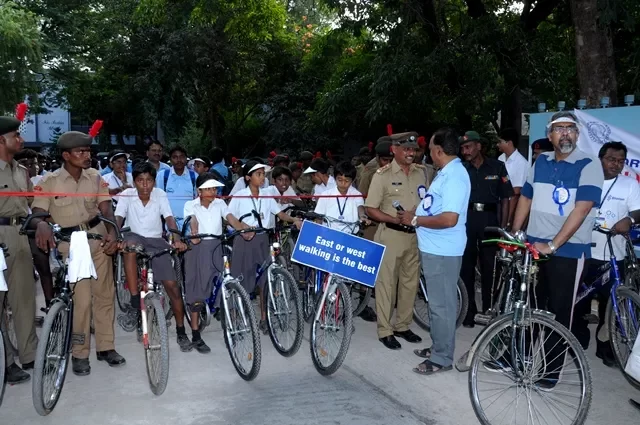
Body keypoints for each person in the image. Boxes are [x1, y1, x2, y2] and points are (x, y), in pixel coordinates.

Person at [510, 111, 604, 388]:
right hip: (534, 248)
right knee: (531, 307)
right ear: (550, 135)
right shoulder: (541, 161)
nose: (565, 133)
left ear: (577, 134)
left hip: (568, 251)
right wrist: (516, 233)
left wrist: (553, 245)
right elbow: (526, 197)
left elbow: (582, 209)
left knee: (559, 312)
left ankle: (550, 372)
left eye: (570, 128)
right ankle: (523, 361)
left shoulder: (589, 164)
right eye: (559, 128)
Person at [32, 130, 125, 376]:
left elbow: (106, 208)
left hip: (98, 239)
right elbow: (38, 213)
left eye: (88, 151)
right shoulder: (49, 181)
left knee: (105, 295)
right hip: (72, 245)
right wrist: (41, 223)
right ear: (66, 155)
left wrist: (113, 232)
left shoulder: (95, 177)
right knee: (82, 301)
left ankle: (106, 347)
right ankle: (80, 353)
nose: (87, 155)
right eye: (80, 151)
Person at [398, 128, 470, 375]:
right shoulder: (445, 173)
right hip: (434, 248)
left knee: (442, 306)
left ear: (439, 151)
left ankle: (442, 358)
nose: (427, 153)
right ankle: (439, 346)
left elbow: (449, 219)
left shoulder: (455, 177)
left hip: (443, 250)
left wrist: (415, 220)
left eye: (429, 149)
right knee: (436, 304)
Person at [572, 141, 640, 367]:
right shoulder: (586, 179)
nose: (616, 164)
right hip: (583, 251)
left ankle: (605, 347)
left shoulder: (629, 184)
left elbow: (638, 211)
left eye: (621, 161)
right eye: (611, 159)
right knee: (579, 300)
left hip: (614, 254)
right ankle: (577, 340)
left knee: (610, 305)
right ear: (600, 159)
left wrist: (629, 220)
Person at [115, 162, 193, 351]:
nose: (145, 185)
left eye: (149, 180)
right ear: (134, 181)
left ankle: (181, 331)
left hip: (156, 240)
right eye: (140, 180)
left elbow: (169, 218)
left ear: (154, 182)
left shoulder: (160, 195)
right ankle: (135, 299)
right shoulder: (127, 195)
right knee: (129, 247)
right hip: (134, 236)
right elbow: (118, 218)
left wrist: (176, 238)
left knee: (173, 287)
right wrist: (116, 236)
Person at [364, 132, 427, 350]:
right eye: (406, 149)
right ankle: (385, 330)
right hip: (391, 235)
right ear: (394, 150)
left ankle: (402, 326)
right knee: (387, 285)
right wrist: (393, 219)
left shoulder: (421, 173)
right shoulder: (382, 175)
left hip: (415, 236)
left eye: (413, 149)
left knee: (410, 284)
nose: (411, 153)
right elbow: (370, 208)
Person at [227, 161, 302, 331]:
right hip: (244, 240)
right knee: (240, 278)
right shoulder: (240, 195)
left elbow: (280, 213)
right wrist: (241, 227)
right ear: (248, 177)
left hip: (262, 239)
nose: (262, 178)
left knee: (265, 280)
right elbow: (229, 216)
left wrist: (294, 219)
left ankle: (264, 318)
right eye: (258, 174)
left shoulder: (267, 195)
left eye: (263, 174)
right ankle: (235, 317)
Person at [182, 173, 250, 353]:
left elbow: (230, 218)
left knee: (223, 282)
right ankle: (195, 334)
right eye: (209, 188)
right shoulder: (190, 205)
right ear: (199, 191)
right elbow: (193, 220)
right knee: (197, 289)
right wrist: (194, 232)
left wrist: (242, 229)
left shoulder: (220, 203)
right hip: (198, 247)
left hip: (216, 247)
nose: (213, 191)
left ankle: (228, 320)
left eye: (214, 188)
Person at [0, 116, 41, 384]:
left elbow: (30, 203)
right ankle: (5, 362)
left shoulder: (21, 170)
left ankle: (30, 355)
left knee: (25, 298)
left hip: (20, 233)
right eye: (16, 135)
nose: (21, 139)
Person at [459, 130, 514, 328]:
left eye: (468, 147)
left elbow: (506, 198)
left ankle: (489, 310)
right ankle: (468, 311)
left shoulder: (497, 167)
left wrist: (504, 227)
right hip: (467, 219)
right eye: (463, 148)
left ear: (479, 146)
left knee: (490, 267)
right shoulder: (461, 169)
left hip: (490, 221)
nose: (465, 151)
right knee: (466, 267)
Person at [14, 149, 55, 313]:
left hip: (36, 226)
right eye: (25, 164)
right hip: (17, 227)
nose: (31, 167)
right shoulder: (14, 178)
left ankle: (50, 303)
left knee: (43, 265)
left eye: (33, 164)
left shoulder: (42, 180)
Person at [314, 161, 369, 233]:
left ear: (352, 181)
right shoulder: (325, 195)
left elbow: (360, 207)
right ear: (335, 178)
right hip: (328, 233)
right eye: (340, 180)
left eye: (347, 181)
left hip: (350, 234)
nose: (343, 184)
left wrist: (362, 216)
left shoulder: (357, 194)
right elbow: (319, 217)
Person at [156, 146, 196, 230]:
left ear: (186, 159)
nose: (179, 160)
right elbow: (157, 199)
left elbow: (198, 200)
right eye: (175, 157)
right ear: (170, 160)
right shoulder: (162, 175)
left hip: (190, 224)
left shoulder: (194, 176)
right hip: (169, 224)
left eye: (182, 157)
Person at [497, 128, 528, 224]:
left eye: (500, 142)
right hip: (498, 204)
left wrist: (508, 220)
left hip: (511, 206)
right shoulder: (500, 158)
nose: (497, 145)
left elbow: (516, 191)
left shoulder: (521, 163)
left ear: (509, 143)